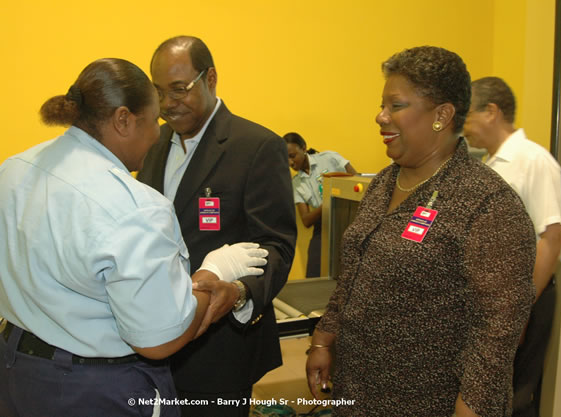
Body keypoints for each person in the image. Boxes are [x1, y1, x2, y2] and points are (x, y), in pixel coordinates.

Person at [0, 58, 270, 417]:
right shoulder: (135, 205)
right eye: (155, 120)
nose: (160, 134)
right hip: (91, 390)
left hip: (16, 370)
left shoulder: (16, 168)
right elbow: (161, 340)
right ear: (124, 120)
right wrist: (215, 272)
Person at [305, 46, 536, 417]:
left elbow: (497, 329)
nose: (380, 116)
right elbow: (354, 274)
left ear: (441, 115)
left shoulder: (487, 203)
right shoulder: (383, 183)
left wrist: (472, 407)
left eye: (396, 106)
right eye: (382, 105)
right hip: (357, 388)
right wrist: (322, 338)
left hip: (426, 400)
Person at [136, 36, 297, 417]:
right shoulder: (154, 145)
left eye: (179, 90)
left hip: (218, 347)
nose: (166, 105)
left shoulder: (255, 146)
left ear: (211, 79)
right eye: (159, 92)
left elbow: (276, 244)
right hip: (156, 340)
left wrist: (239, 291)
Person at [463, 76, 561, 417]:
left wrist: (520, 309)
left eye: (467, 116)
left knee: (517, 396)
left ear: (491, 112)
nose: (463, 129)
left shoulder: (533, 161)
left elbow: (551, 237)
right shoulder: (492, 165)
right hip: (497, 301)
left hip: (524, 299)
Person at [284, 132, 356, 277]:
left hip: (349, 218)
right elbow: (306, 220)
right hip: (322, 226)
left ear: (303, 148)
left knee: (349, 270)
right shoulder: (296, 183)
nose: (290, 163)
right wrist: (329, 202)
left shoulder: (329, 158)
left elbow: (357, 180)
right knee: (314, 273)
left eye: (292, 156)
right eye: (286, 159)